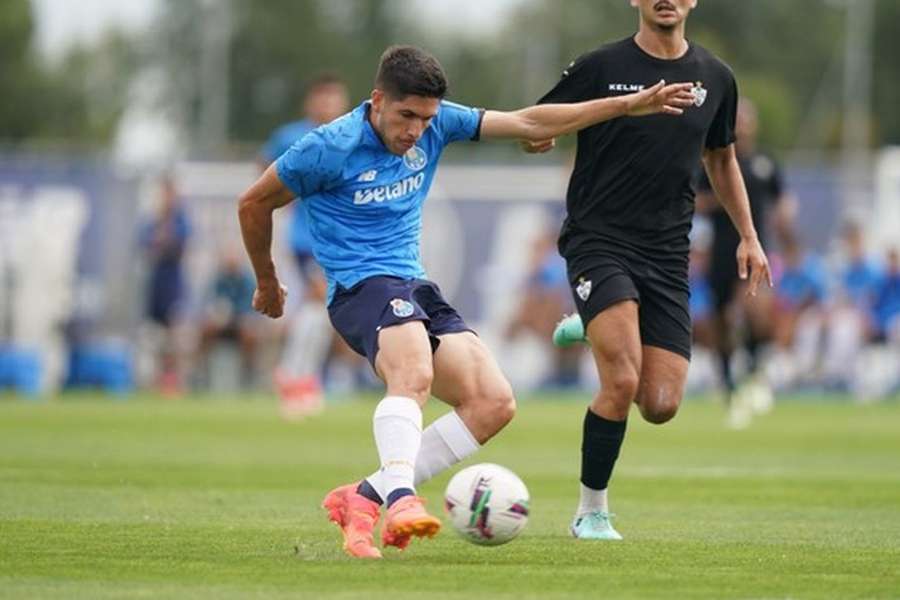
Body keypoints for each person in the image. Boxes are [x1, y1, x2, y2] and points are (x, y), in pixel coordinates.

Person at [238, 45, 696, 558]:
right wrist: (267, 280)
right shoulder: (327, 146)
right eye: (405, 115)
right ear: (377, 101)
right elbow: (253, 202)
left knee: (492, 402)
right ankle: (404, 497)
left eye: (425, 118)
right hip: (360, 288)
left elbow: (527, 121)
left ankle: (364, 497)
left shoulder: (439, 124)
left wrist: (625, 106)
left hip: (413, 285)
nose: (415, 130)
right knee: (412, 374)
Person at [533, 0, 771, 540]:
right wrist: (606, 112)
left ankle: (596, 325)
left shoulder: (716, 77)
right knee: (620, 381)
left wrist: (750, 238)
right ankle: (591, 511)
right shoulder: (600, 66)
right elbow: (534, 127)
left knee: (660, 405)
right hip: (599, 241)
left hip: (666, 254)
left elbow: (722, 158)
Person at [259, 74, 351, 415]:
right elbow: (262, 175)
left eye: (334, 97)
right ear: (310, 101)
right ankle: (295, 375)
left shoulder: (351, 133)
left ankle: (300, 375)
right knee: (319, 300)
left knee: (323, 309)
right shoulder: (291, 136)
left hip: (339, 239)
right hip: (305, 238)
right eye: (322, 97)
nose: (328, 104)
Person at [694, 97, 790, 410]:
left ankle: (753, 366)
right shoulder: (713, 159)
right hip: (720, 249)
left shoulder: (766, 162)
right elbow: (696, 201)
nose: (743, 125)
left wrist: (785, 220)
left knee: (754, 310)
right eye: (738, 119)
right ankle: (726, 377)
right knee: (721, 316)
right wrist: (729, 202)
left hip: (756, 247)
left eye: (747, 119)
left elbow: (782, 200)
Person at [139, 176, 191, 395]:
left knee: (174, 332)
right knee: (155, 335)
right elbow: (145, 245)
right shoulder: (152, 220)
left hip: (173, 281)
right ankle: (157, 379)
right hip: (156, 281)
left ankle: (175, 380)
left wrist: (164, 239)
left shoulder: (180, 220)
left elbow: (178, 245)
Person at [194, 248, 258, 390]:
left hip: (239, 323)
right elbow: (209, 302)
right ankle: (201, 373)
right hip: (220, 323)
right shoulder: (217, 280)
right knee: (206, 330)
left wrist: (234, 315)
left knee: (249, 333)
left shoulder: (247, 281)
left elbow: (251, 307)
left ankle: (248, 374)